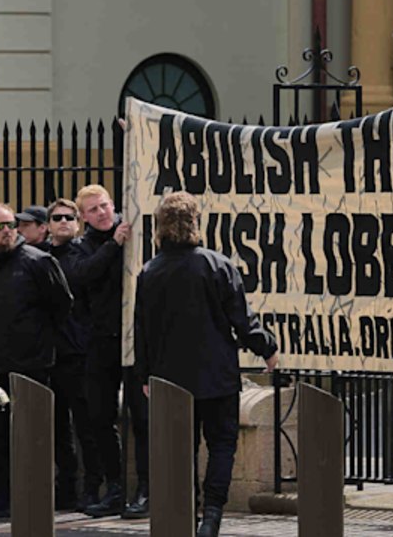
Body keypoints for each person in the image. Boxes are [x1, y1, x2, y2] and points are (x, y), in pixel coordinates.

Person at [134, 191, 280, 537]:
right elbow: (242, 320)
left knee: (181, 449)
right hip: (216, 374)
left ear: (159, 228)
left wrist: (143, 375)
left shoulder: (149, 272)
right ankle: (211, 516)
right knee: (222, 445)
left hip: (169, 377)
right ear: (196, 223)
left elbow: (141, 331)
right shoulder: (217, 265)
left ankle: (185, 511)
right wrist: (268, 349)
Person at [0, 204, 72, 518]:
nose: (6, 230)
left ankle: (39, 493)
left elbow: (62, 305)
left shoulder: (39, 262)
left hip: (32, 365)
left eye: (11, 224)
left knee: (33, 433)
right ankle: (2, 495)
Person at [69, 184, 148, 519]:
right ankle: (114, 486)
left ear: (113, 204)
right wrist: (113, 246)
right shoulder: (82, 247)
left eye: (104, 206)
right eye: (93, 210)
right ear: (83, 217)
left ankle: (146, 488)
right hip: (101, 341)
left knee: (142, 416)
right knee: (99, 416)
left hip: (136, 339)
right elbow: (82, 276)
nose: (102, 213)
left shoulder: (135, 230)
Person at [48, 198, 103, 512]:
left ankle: (92, 488)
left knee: (87, 426)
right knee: (57, 428)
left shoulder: (82, 254)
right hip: (51, 354)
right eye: (57, 217)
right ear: (49, 223)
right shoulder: (41, 256)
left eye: (70, 217)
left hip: (80, 352)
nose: (64, 222)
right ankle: (66, 488)